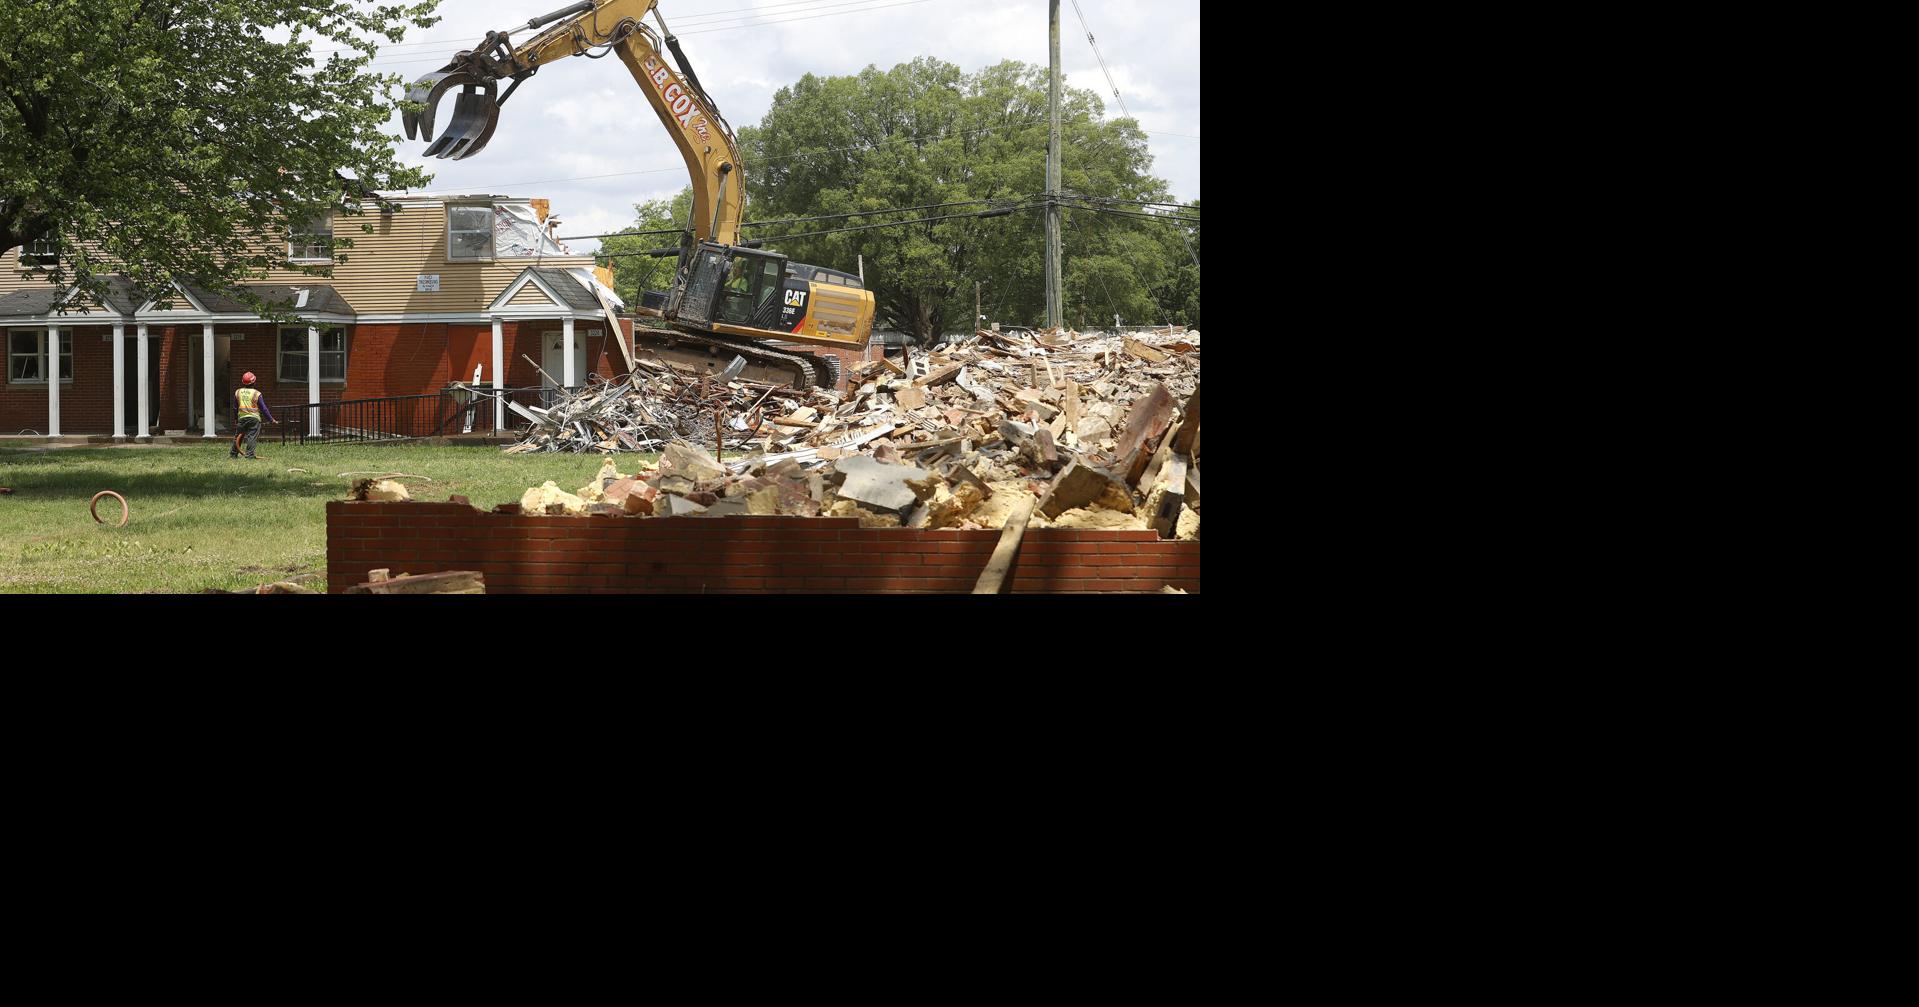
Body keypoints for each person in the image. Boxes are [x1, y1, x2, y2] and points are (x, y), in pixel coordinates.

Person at [231, 372, 274, 459]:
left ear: (243, 382)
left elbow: (235, 407)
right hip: (254, 419)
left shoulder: (238, 392)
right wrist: (271, 419)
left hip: (242, 418)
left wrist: (235, 418)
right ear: (254, 382)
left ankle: (233, 454)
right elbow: (264, 408)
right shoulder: (257, 393)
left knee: (238, 436)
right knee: (252, 437)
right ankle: (249, 455)